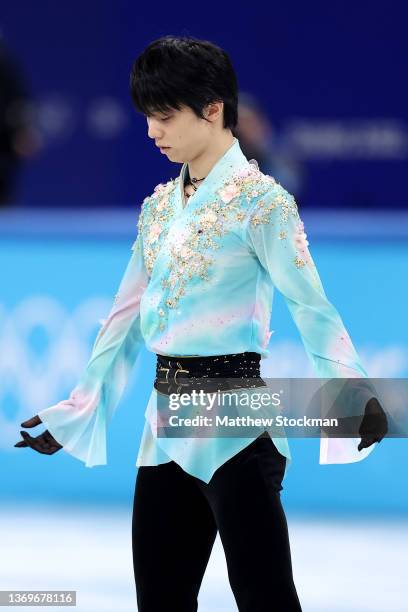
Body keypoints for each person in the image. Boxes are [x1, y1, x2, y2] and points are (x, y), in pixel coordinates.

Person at [14, 35, 388, 612]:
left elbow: (311, 306)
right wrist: (81, 408)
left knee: (267, 600)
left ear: (213, 110)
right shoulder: (158, 208)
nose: (151, 131)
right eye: (147, 117)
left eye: (164, 116)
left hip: (238, 421)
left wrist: (351, 387)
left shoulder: (263, 204)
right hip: (163, 428)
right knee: (160, 601)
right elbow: (123, 321)